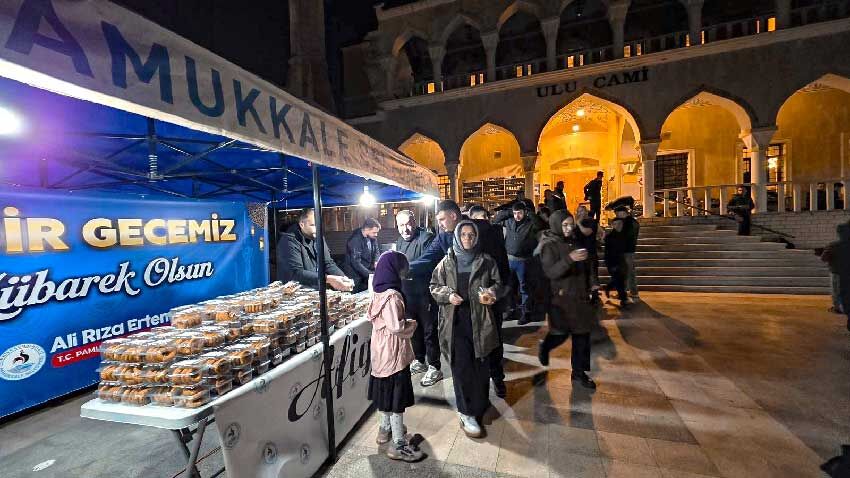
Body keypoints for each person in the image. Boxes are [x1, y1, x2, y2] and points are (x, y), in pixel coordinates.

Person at [409, 200, 511, 398]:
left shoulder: (485, 231)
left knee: (493, 342)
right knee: (466, 348)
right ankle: (472, 388)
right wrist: (401, 265)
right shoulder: (444, 237)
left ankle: (497, 379)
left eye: (441, 219)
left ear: (453, 216)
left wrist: (498, 294)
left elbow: (501, 267)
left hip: (487, 302)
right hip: (461, 306)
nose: (439, 223)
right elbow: (428, 259)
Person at [430, 220, 505, 438]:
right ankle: (465, 412)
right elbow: (434, 286)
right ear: (456, 237)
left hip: (480, 322)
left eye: (471, 235)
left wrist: (491, 293)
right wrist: (447, 295)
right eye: (463, 235)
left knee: (481, 366)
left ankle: (480, 405)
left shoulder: (486, 261)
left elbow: (499, 284)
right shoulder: (446, 262)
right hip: (455, 324)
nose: (467, 239)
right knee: (461, 368)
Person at [367, 251, 424, 462]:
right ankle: (398, 443)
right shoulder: (393, 295)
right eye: (401, 270)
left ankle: (384, 430)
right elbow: (395, 326)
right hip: (393, 352)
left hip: (380, 352)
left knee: (385, 391)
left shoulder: (377, 292)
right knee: (397, 397)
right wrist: (412, 324)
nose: (403, 274)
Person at [536, 210, 597, 389]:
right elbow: (550, 272)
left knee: (582, 335)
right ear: (556, 224)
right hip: (561, 299)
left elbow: (588, 263)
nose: (569, 228)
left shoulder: (574, 240)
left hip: (580, 296)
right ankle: (545, 346)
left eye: (571, 224)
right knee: (560, 334)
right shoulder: (548, 245)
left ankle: (578, 373)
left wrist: (593, 283)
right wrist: (569, 259)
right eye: (565, 225)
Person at [394, 210, 442, 387]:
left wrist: (400, 268)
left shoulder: (427, 238)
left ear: (414, 222)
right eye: (401, 225)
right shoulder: (399, 241)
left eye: (408, 224)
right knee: (414, 328)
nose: (405, 229)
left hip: (425, 293)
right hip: (407, 293)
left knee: (430, 330)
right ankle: (420, 360)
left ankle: (435, 366)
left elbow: (428, 262)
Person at [278, 207, 353, 291]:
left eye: (318, 225)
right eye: (313, 225)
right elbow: (296, 273)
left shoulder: (318, 237)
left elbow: (328, 263)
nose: (317, 229)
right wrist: (328, 279)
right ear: (302, 224)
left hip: (315, 288)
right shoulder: (289, 240)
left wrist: (343, 278)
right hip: (295, 292)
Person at [493, 202, 543, 324]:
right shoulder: (509, 221)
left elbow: (540, 224)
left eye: (519, 213)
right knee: (509, 287)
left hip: (524, 261)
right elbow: (496, 219)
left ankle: (525, 313)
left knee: (524, 288)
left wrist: (529, 212)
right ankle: (511, 310)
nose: (517, 216)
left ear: (525, 212)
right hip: (509, 260)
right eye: (515, 213)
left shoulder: (530, 224)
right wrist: (511, 211)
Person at [822, 223, 850, 329]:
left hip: (837, 272)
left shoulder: (834, 245)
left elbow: (824, 258)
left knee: (837, 291)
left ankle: (838, 308)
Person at [343, 218, 381, 292]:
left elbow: (377, 251)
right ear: (366, 229)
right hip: (356, 276)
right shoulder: (355, 239)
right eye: (374, 232)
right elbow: (356, 263)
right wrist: (370, 275)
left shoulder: (372, 237)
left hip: (366, 273)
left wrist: (376, 261)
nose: (376, 235)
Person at [615, 205, 640, 301]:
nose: (616, 215)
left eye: (617, 213)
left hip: (628, 250)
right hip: (626, 250)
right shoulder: (630, 222)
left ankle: (633, 292)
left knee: (629, 271)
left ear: (623, 212)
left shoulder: (630, 223)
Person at [603, 218, 629, 307]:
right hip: (613, 262)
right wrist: (610, 265)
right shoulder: (609, 237)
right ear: (613, 225)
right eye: (616, 224)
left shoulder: (623, 235)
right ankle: (623, 299)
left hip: (621, 261)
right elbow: (607, 253)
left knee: (620, 279)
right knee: (619, 282)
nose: (618, 226)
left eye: (620, 224)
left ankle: (608, 287)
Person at [577, 217, 601, 303]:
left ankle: (595, 296)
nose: (580, 213)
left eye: (582, 211)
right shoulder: (576, 224)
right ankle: (586, 295)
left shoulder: (591, 222)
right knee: (584, 275)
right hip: (580, 253)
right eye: (578, 211)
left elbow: (587, 232)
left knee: (592, 275)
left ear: (586, 212)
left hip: (591, 253)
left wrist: (578, 224)